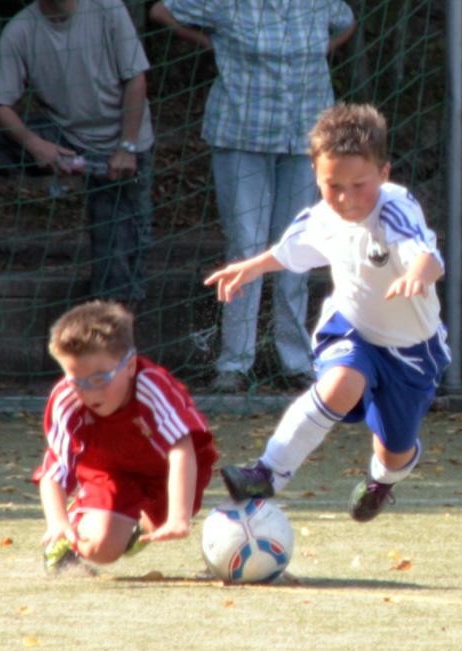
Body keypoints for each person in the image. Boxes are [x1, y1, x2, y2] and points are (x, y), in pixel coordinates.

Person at [206, 103, 449, 523]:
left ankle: (381, 481)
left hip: (412, 350)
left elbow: (430, 257)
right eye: (332, 185)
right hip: (352, 328)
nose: (346, 198)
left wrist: (416, 274)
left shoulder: (395, 208)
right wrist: (250, 267)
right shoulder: (321, 216)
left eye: (359, 185)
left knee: (394, 451)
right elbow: (288, 252)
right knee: (340, 383)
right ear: (316, 176)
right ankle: (266, 474)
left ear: (384, 173)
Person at [149, 0, 355, 392]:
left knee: (298, 244)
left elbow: (347, 22)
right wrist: (209, 42)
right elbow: (161, 10)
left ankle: (295, 360)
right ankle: (235, 363)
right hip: (242, 134)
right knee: (246, 246)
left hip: (305, 137)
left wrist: (324, 51)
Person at [0, 0, 154, 308]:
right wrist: (36, 145)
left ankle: (119, 350)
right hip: (65, 133)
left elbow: (136, 78)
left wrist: (126, 147)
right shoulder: (20, 29)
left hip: (122, 142)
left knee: (117, 275)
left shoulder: (108, 8)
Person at [34, 300, 217, 573]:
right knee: (100, 548)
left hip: (162, 470)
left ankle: (136, 526)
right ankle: (72, 531)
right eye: (76, 381)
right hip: (107, 470)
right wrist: (57, 521)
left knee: (165, 521)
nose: (89, 393)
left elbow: (181, 447)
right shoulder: (66, 399)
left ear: (130, 365)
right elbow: (55, 468)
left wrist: (179, 517)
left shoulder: (152, 386)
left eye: (99, 379)